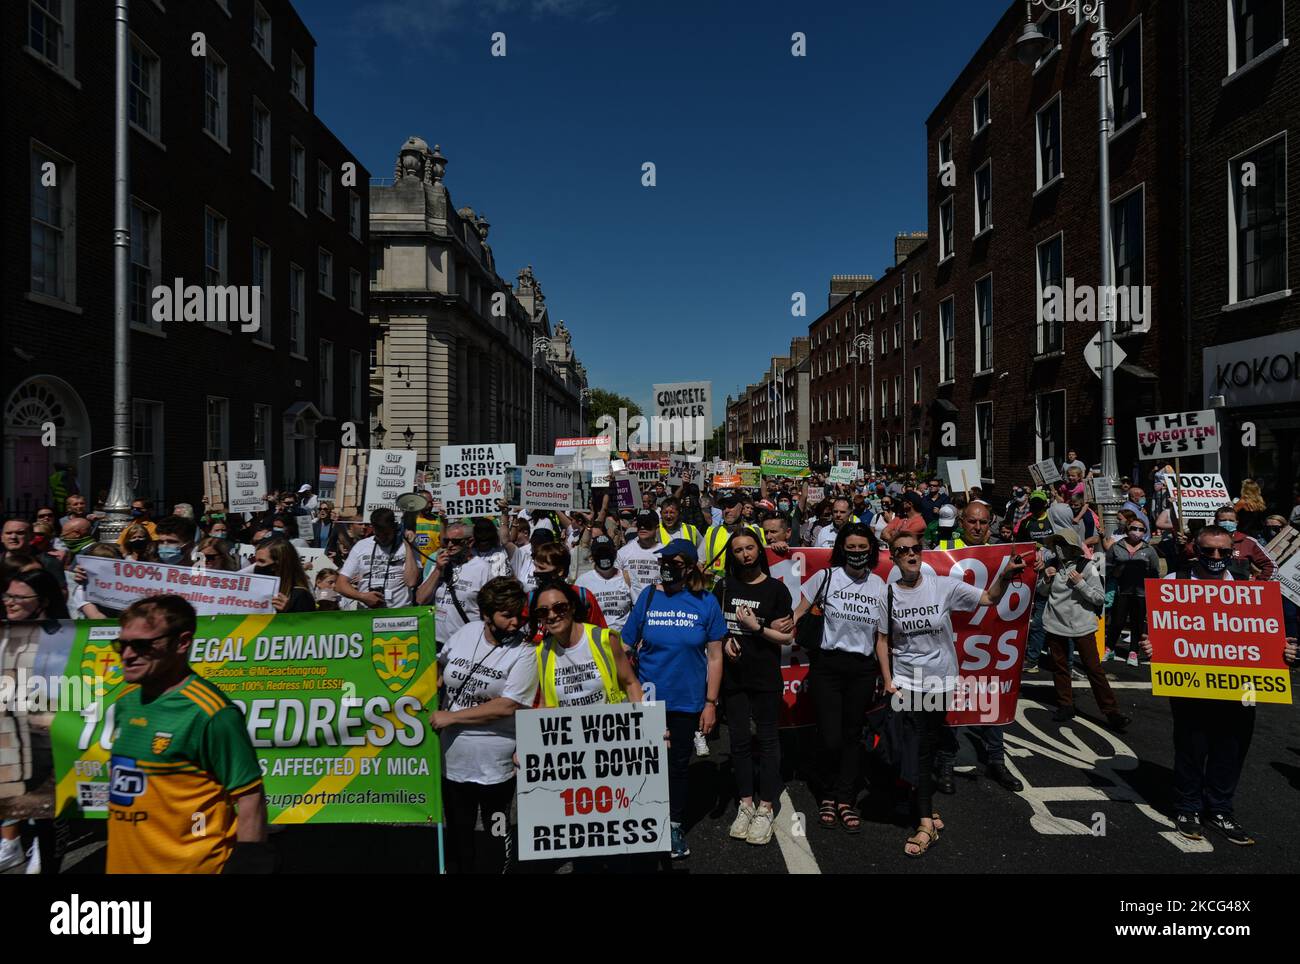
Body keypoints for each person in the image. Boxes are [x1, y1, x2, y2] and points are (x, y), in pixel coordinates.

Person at [1141, 525, 1299, 845]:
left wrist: (1290, 652)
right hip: (1191, 683)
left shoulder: (1251, 588)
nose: (1216, 557)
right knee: (1191, 747)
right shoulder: (1174, 584)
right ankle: (1188, 806)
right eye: (1208, 551)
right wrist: (1151, 647)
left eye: (1223, 552)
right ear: (1195, 551)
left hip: (1242, 685)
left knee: (1231, 749)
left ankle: (1220, 809)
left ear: (1233, 553)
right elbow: (1157, 631)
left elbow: (1275, 635)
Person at [876, 532, 1026, 856]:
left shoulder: (942, 586)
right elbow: (883, 641)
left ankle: (925, 814)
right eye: (903, 551)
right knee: (909, 748)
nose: (911, 554)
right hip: (907, 682)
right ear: (893, 557)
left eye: (915, 549)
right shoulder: (887, 595)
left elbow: (988, 599)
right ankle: (926, 818)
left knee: (925, 747)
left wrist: (1004, 575)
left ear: (922, 553)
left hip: (939, 682)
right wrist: (888, 680)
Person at [106, 595, 269, 873]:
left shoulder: (212, 712)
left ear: (182, 642)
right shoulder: (126, 698)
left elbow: (249, 794)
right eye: (122, 644)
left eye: (143, 645)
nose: (128, 655)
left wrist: (249, 861)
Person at [620, 539, 726, 859]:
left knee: (678, 765)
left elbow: (715, 658)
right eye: (663, 560)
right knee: (643, 765)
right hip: (647, 699)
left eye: (675, 561)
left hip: (686, 701)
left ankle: (675, 823)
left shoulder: (706, 602)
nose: (667, 566)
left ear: (691, 566)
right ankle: (642, 824)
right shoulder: (649, 596)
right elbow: (626, 645)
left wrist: (710, 703)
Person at [434, 577, 537, 874]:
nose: (515, 622)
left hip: (496, 766)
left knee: (496, 831)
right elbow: (441, 668)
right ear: (486, 614)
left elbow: (508, 704)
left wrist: (450, 717)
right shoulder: (465, 633)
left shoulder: (525, 651)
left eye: (519, 614)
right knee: (459, 833)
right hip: (452, 761)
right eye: (507, 615)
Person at [791, 523, 886, 833]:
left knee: (852, 735)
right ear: (841, 548)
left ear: (871, 549)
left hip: (862, 669)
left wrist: (887, 676)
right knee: (830, 736)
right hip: (827, 667)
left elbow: (884, 638)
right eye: (851, 547)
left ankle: (844, 799)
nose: (856, 553)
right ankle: (827, 793)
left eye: (862, 547)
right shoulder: (826, 577)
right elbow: (798, 615)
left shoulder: (880, 586)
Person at [933, 501, 1024, 794]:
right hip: (954, 638)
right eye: (972, 522)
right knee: (953, 703)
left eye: (984, 523)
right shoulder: (945, 548)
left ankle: (996, 760)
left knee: (991, 699)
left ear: (991, 523)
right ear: (962, 521)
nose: (978, 527)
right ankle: (946, 761)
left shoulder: (1001, 552)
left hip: (991, 640)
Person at [713, 530, 794, 846]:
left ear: (759, 551)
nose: (745, 554)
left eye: (750, 548)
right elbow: (715, 627)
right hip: (733, 679)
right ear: (731, 556)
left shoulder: (776, 590)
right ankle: (745, 803)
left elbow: (787, 638)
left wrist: (756, 628)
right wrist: (725, 640)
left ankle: (766, 806)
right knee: (739, 740)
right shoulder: (723, 587)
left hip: (765, 677)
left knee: (768, 740)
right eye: (738, 550)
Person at [1039, 526, 1129, 730]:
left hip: (1082, 625)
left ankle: (1111, 711)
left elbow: (1098, 598)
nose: (1059, 548)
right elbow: (1042, 592)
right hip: (1055, 623)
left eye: (1063, 544)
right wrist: (1046, 579)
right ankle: (1065, 705)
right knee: (1060, 667)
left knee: (1094, 669)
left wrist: (1080, 583)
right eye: (1057, 544)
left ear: (1072, 547)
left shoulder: (1086, 567)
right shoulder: (1051, 564)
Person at [532, 581, 641, 707]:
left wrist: (646, 722)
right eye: (543, 612)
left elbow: (631, 684)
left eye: (559, 607)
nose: (552, 615)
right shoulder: (542, 651)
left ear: (572, 607)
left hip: (610, 724)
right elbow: (545, 702)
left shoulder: (605, 640)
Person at [408, 521, 495, 646]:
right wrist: (438, 570)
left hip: (466, 643)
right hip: (437, 643)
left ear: (470, 542)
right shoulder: (439, 563)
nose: (449, 545)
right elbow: (420, 599)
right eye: (446, 541)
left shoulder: (483, 569)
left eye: (455, 542)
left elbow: (489, 610)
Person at [1105, 517, 1160, 665]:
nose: (1137, 532)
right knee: (1117, 622)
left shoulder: (1149, 550)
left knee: (1137, 624)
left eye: (1141, 529)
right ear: (1127, 530)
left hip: (1141, 593)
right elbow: (1107, 566)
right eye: (1134, 528)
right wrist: (1116, 572)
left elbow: (1155, 572)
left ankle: (1133, 652)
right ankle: (1109, 648)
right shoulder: (1116, 547)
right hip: (1121, 591)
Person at [337, 508, 412, 609]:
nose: (382, 538)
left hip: (397, 614)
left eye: (386, 534)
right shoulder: (361, 546)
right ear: (373, 528)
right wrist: (363, 597)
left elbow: (411, 582)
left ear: (394, 527)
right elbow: (340, 585)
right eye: (378, 535)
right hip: (367, 613)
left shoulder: (406, 545)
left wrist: (409, 546)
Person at [701, 492, 766, 584]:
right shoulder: (712, 532)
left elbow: (770, 561)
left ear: (742, 509)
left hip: (746, 588)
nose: (726, 510)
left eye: (731, 506)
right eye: (723, 507)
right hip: (717, 590)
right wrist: (702, 571)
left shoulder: (757, 532)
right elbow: (700, 562)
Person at [253, 538, 315, 612]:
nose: (256, 565)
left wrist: (288, 611)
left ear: (279, 565)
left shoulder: (301, 596)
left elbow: (306, 623)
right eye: (255, 560)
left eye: (262, 561)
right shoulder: (258, 589)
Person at [617, 510, 664, 599]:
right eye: (640, 524)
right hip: (634, 607)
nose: (642, 527)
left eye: (647, 524)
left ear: (657, 528)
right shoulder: (623, 552)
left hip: (658, 605)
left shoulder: (665, 552)